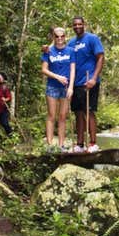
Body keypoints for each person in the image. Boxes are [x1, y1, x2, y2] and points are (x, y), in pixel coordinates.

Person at [67, 16, 104, 153]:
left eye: (79, 24)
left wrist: (94, 78)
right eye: (75, 25)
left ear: (84, 24)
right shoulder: (71, 43)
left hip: (89, 81)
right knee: (78, 113)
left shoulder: (92, 39)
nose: (77, 26)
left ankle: (93, 143)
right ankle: (80, 144)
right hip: (75, 83)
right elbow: (66, 60)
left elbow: (100, 58)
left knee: (89, 111)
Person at [41, 27, 75, 151]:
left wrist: (71, 87)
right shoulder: (48, 51)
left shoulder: (71, 51)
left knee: (62, 116)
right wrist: (57, 77)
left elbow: (72, 69)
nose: (59, 39)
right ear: (53, 37)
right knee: (51, 115)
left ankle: (61, 145)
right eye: (57, 36)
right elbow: (44, 69)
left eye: (62, 36)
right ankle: (49, 145)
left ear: (65, 37)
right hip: (52, 87)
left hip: (66, 88)